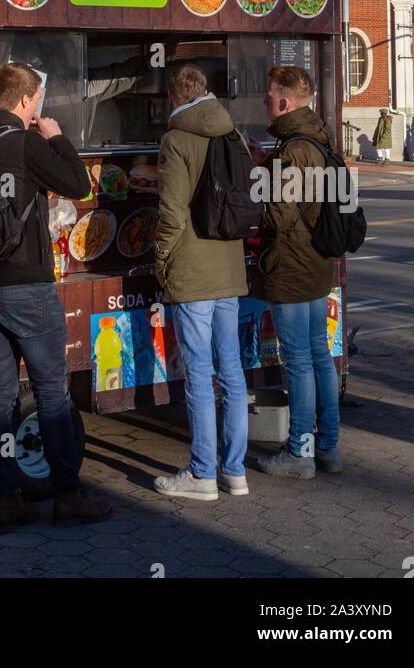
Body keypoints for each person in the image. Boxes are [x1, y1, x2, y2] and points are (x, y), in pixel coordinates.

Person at [0, 61, 113, 532]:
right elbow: (77, 184)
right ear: (28, 101)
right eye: (38, 104)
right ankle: (68, 496)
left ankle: (6, 498)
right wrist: (57, 137)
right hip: (26, 285)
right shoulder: (27, 141)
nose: (39, 110)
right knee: (53, 391)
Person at [151, 64, 250, 502]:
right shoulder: (233, 133)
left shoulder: (175, 140)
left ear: (174, 98)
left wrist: (160, 258)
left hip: (192, 271)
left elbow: (171, 211)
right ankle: (235, 471)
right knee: (231, 370)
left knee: (198, 374)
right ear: (206, 91)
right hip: (229, 265)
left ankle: (202, 474)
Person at [252, 65, 342, 478]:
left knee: (300, 361)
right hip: (318, 264)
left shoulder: (292, 151)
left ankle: (299, 451)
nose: (266, 102)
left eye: (270, 96)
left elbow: (278, 217)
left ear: (285, 101)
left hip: (290, 266)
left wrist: (261, 179)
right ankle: (328, 447)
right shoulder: (321, 138)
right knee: (320, 356)